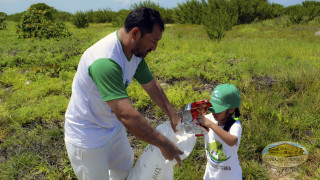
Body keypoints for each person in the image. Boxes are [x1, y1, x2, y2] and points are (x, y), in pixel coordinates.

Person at [64, 7, 183, 180]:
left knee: (124, 170)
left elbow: (151, 85)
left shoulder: (135, 52)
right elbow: (126, 115)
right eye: (153, 41)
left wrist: (172, 115)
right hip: (88, 137)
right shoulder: (105, 62)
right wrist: (164, 144)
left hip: (112, 128)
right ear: (136, 33)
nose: (155, 48)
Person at [199, 84, 242, 180]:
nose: (214, 112)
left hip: (231, 177)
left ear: (231, 109)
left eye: (218, 110)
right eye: (212, 108)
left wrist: (210, 125)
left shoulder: (235, 125)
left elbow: (232, 141)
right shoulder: (209, 118)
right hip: (210, 176)